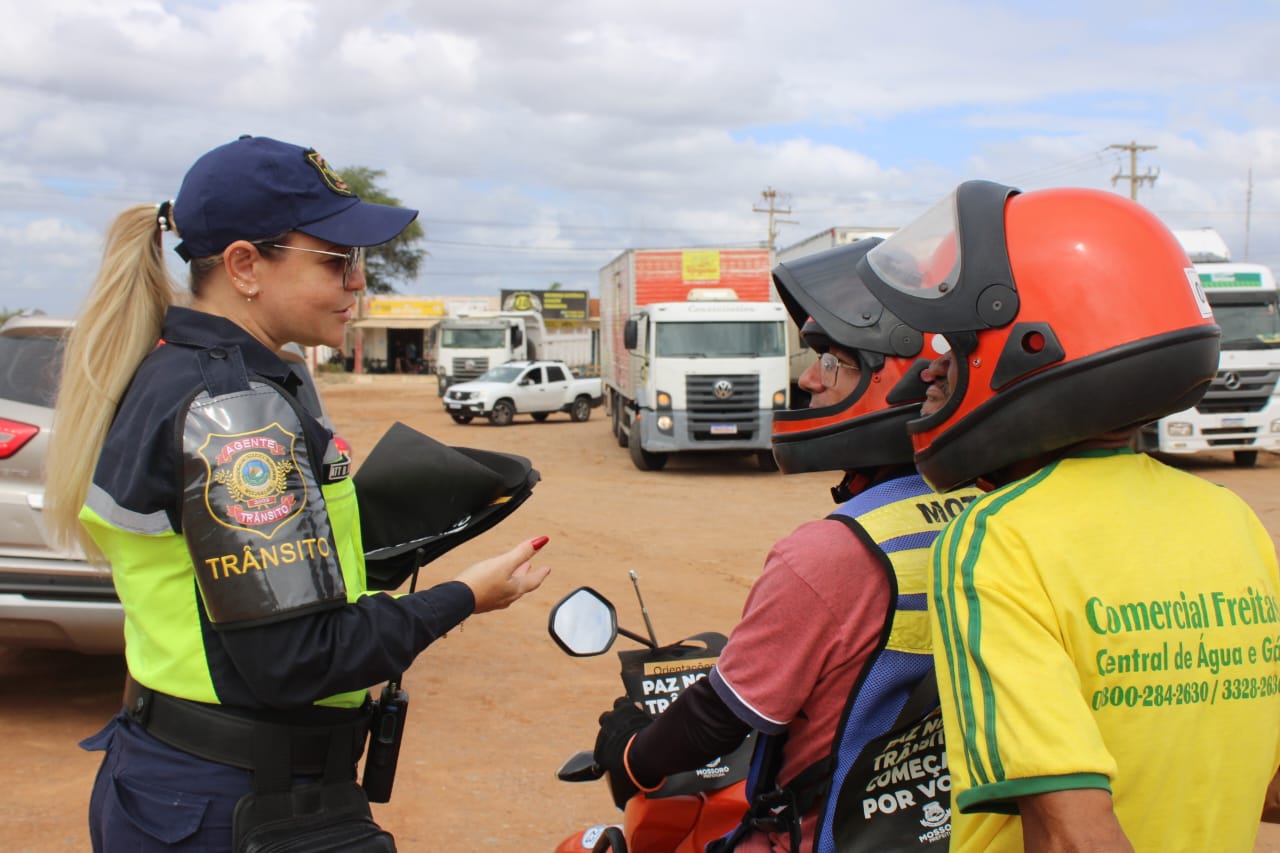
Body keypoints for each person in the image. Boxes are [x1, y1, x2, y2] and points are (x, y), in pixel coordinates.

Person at [44, 135, 551, 851]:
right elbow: (298, 660)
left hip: (183, 784)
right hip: (240, 804)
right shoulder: (234, 413)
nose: (359, 286)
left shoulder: (186, 372)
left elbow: (241, 585)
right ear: (246, 265)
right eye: (337, 261)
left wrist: (413, 523)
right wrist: (465, 594)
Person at [855, 179, 1280, 851]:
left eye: (954, 346)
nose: (926, 375)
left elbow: (1073, 835)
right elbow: (1265, 781)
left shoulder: (998, 538)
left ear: (1034, 344)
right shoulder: (1231, 518)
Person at [593, 238, 981, 851]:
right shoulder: (989, 510)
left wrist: (631, 756)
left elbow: (721, 718)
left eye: (834, 361)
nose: (807, 377)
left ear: (902, 380)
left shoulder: (832, 554)